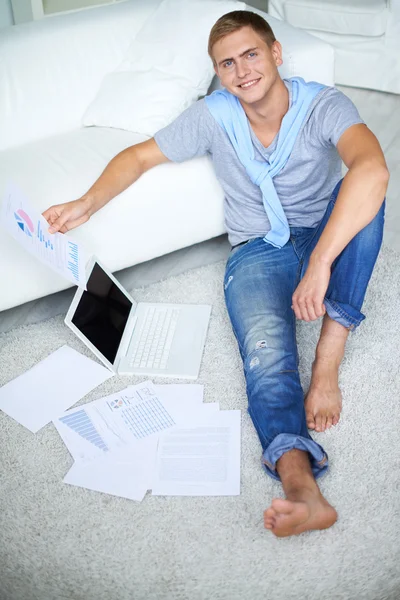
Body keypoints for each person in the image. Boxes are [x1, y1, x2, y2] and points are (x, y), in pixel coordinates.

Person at [43, 11, 389, 537]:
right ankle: (303, 488)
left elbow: (374, 167)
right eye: (227, 63)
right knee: (266, 363)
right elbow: (138, 157)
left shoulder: (323, 105)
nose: (241, 70)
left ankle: (328, 359)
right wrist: (86, 203)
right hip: (257, 252)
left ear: (276, 54)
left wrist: (320, 263)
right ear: (218, 73)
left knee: (368, 196)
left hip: (324, 233)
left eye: (251, 54)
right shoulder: (214, 114)